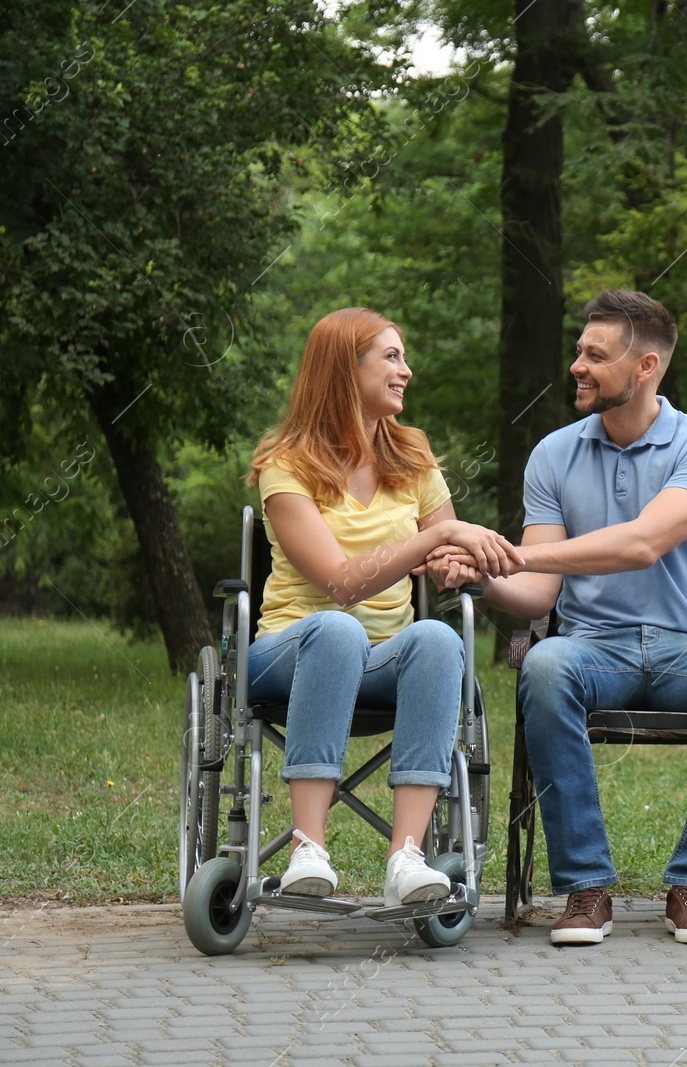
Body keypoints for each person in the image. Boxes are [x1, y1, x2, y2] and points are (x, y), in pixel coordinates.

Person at [438, 289, 687, 946]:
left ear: (646, 366)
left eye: (595, 355)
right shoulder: (553, 454)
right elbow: (540, 592)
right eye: (579, 351)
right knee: (543, 663)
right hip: (594, 648)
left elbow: (643, 542)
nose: (578, 365)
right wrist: (485, 577)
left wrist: (510, 554)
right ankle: (585, 889)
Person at [247, 307, 522, 908]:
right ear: (347, 370)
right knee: (338, 628)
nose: (407, 371)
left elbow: (448, 543)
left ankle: (407, 857)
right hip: (288, 653)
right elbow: (340, 584)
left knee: (438, 639)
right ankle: (307, 850)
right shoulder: (285, 466)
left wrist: (457, 560)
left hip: (380, 659)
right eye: (391, 357)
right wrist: (429, 541)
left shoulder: (412, 458)